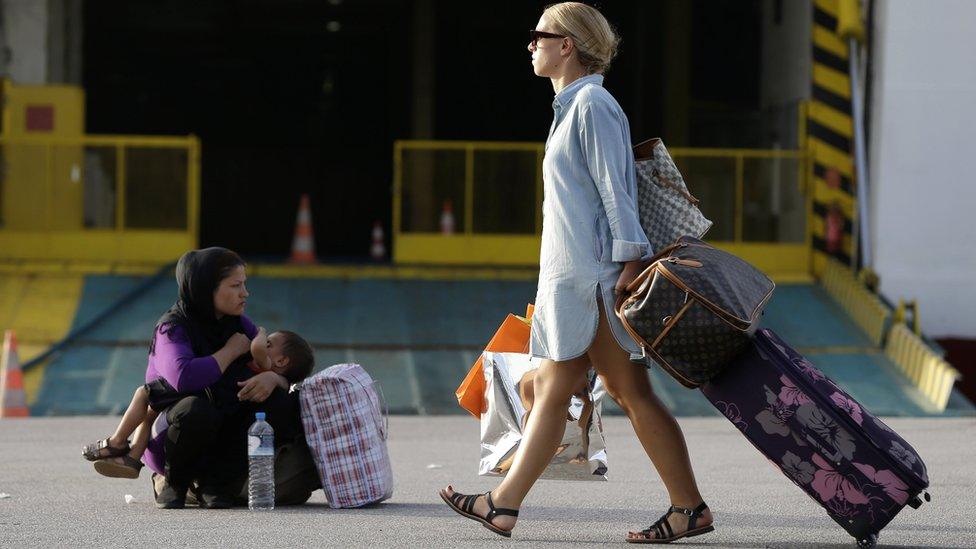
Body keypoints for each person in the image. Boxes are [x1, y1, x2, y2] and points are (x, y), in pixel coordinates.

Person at [440, 3, 714, 543]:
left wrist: (630, 262)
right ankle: (504, 504)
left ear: (567, 44)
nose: (531, 44)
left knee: (626, 394)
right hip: (577, 280)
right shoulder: (573, 106)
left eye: (539, 35)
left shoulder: (592, 105)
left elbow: (616, 190)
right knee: (563, 390)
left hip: (593, 281)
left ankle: (687, 508)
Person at [85, 247, 316, 509]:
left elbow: (273, 363)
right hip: (175, 430)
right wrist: (230, 351)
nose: (245, 293)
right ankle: (174, 483)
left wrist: (275, 380)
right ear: (208, 290)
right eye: (236, 285)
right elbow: (184, 378)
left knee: (279, 403)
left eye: (244, 284)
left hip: (219, 428)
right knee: (196, 409)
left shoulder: (238, 323)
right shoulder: (172, 328)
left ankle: (215, 484)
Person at [82, 328, 315, 480]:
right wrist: (278, 378)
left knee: (144, 395)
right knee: (152, 407)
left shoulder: (260, 365)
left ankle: (118, 442)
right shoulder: (268, 378)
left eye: (270, 343)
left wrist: (259, 332)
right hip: (206, 406)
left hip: (201, 393)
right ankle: (132, 455)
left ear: (281, 361)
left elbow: (255, 346)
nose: (265, 342)